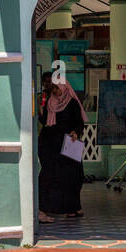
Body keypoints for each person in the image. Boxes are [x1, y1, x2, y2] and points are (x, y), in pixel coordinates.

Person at [44, 80, 88, 219]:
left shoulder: (72, 103)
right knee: (60, 178)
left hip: (69, 143)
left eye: (58, 88)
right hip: (54, 145)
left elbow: (79, 121)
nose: (56, 91)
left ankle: (76, 207)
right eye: (54, 88)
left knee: (74, 177)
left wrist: (76, 131)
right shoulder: (51, 102)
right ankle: (66, 208)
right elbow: (45, 121)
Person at [36, 73, 58, 223]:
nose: (47, 85)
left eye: (49, 82)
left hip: (53, 138)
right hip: (45, 137)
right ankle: (42, 207)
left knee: (52, 173)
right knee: (46, 172)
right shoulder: (42, 98)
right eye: (45, 82)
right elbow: (43, 118)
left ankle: (48, 205)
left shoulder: (60, 98)